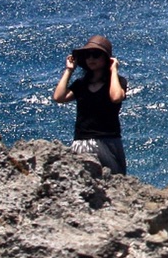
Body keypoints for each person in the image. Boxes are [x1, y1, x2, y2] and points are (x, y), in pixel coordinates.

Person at [52, 35, 128, 174]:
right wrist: (69, 70)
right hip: (82, 141)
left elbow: (116, 97)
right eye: (87, 55)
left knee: (116, 181)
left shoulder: (118, 82)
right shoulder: (81, 84)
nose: (91, 59)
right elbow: (59, 97)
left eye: (96, 54)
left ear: (106, 59)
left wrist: (114, 71)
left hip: (109, 140)